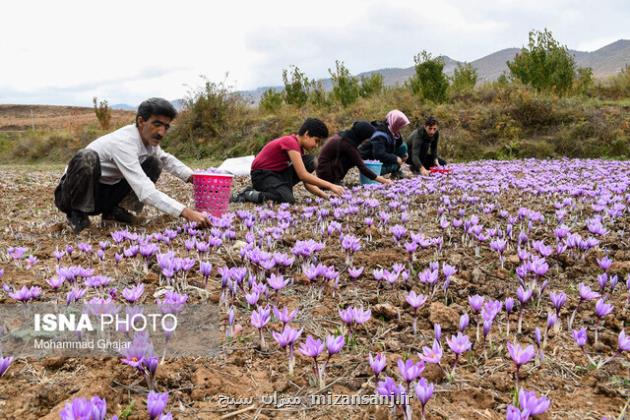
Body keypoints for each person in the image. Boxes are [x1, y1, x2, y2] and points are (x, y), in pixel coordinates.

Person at [54, 97, 210, 233]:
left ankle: (114, 213)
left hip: (104, 194)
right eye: (157, 124)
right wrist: (185, 212)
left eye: (166, 126)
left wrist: (195, 178)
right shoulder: (124, 142)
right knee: (86, 157)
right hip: (70, 194)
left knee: (154, 162)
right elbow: (146, 192)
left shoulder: (148, 142)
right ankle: (77, 214)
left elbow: (166, 160)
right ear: (141, 121)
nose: (161, 132)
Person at [232, 118, 344, 204]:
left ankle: (277, 190)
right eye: (316, 140)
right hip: (262, 176)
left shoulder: (298, 149)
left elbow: (307, 182)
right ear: (306, 134)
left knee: (309, 161)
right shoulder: (290, 142)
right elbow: (303, 175)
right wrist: (331, 186)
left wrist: (325, 196)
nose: (316, 145)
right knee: (287, 199)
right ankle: (248, 194)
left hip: (276, 175)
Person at [316, 121, 393, 186]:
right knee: (354, 158)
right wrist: (384, 180)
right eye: (366, 138)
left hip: (322, 170)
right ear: (362, 136)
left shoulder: (345, 136)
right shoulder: (347, 144)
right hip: (325, 175)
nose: (365, 141)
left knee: (356, 157)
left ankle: (335, 179)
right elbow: (362, 168)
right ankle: (333, 181)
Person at [358, 110, 410, 179]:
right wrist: (395, 158)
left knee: (403, 147)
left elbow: (399, 144)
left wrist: (404, 155)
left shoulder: (391, 129)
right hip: (369, 162)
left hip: (378, 157)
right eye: (399, 125)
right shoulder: (380, 134)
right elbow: (379, 154)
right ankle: (374, 174)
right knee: (395, 165)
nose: (401, 128)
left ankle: (394, 170)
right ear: (395, 123)